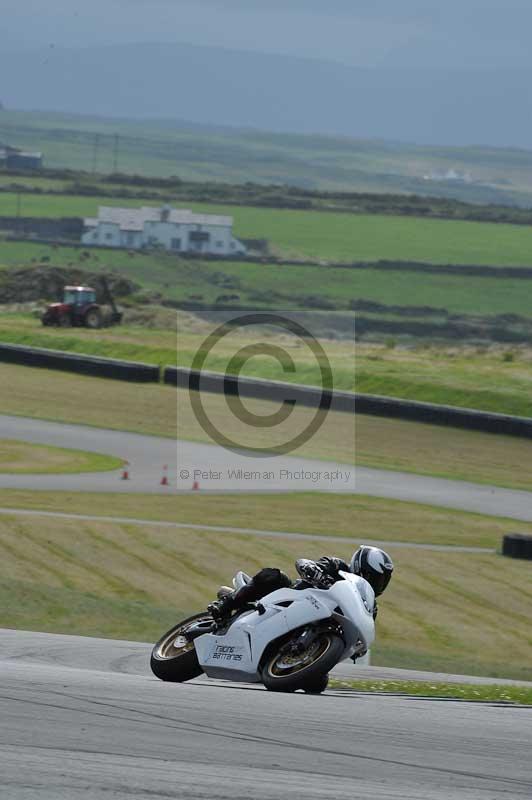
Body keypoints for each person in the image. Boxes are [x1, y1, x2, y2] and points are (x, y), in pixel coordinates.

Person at [208, 545, 394, 623]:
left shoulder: (370, 606)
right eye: (375, 577)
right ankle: (226, 604)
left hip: (316, 626)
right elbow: (303, 563)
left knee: (317, 682)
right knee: (274, 576)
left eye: (382, 581)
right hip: (290, 600)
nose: (378, 584)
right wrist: (318, 575)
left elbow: (364, 629)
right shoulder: (337, 566)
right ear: (361, 567)